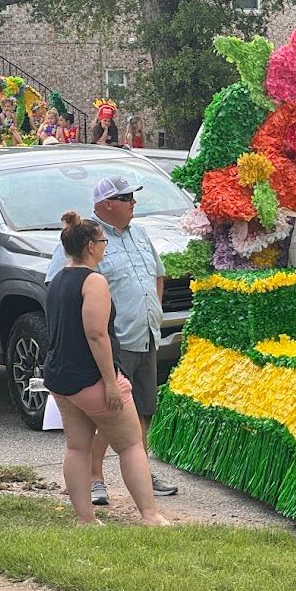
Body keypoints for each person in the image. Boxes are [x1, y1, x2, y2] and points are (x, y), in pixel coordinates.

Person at [46, 176, 179, 505]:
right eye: (127, 197)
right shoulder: (84, 239)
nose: (134, 202)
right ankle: (94, 478)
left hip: (145, 334)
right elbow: (59, 286)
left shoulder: (140, 233)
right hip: (112, 345)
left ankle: (142, 472)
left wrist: (153, 309)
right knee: (107, 416)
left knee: (143, 410)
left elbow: (157, 274)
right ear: (107, 204)